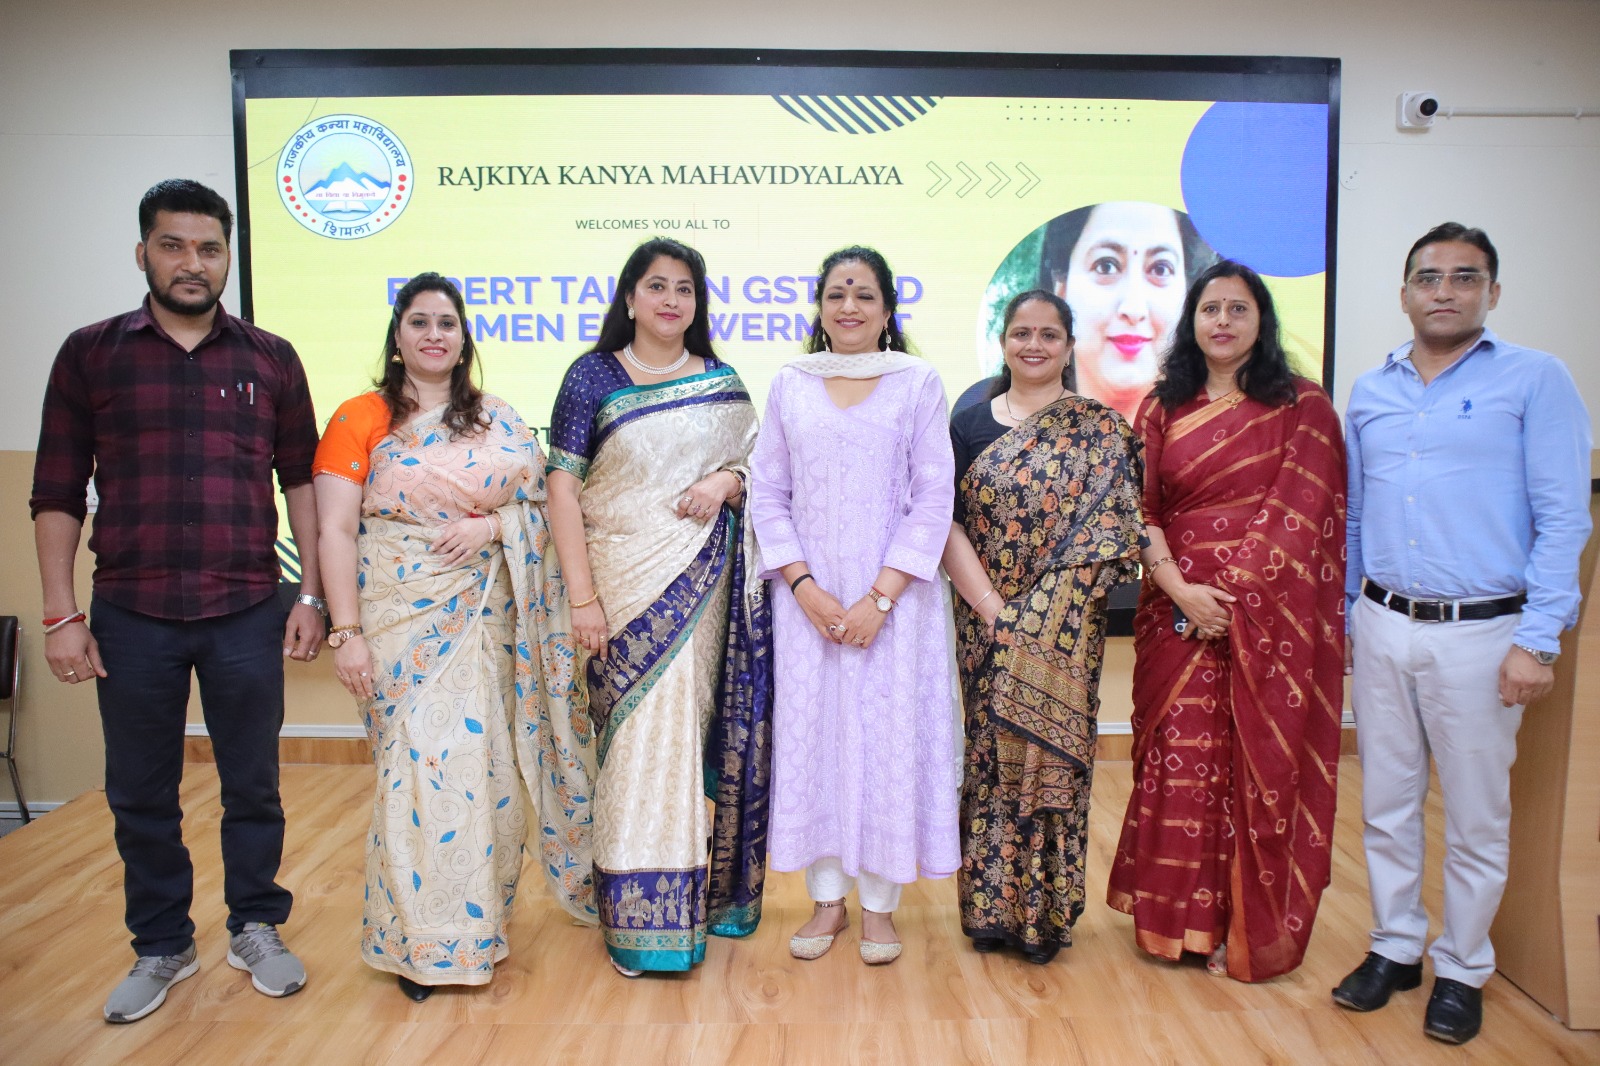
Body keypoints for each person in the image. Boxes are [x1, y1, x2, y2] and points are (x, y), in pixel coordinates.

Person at [30, 180, 324, 1023]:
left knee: (253, 786)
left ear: (228, 257)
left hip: (246, 607)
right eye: (173, 245)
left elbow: (302, 484)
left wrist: (311, 594)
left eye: (208, 248)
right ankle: (162, 944)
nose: (192, 263)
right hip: (131, 613)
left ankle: (255, 926)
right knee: (140, 793)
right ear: (143, 253)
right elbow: (57, 491)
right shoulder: (90, 354)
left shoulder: (272, 358)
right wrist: (61, 614)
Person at [1333, 224, 1591, 1045]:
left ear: (1492, 291)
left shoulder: (1535, 379)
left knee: (1477, 814)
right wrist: (1345, 616)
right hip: (1382, 621)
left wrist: (1539, 640)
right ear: (1405, 292)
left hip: (1484, 632)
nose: (1444, 291)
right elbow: (1357, 514)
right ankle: (1395, 946)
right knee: (1386, 802)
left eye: (1464, 277)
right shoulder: (1370, 391)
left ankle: (1463, 967)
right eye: (1428, 277)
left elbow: (1563, 519)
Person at [313, 273, 596, 1001]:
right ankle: (420, 940)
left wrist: (494, 526)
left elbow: (545, 507)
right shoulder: (359, 418)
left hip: (488, 616)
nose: (434, 335)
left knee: (488, 771)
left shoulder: (498, 418)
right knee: (419, 771)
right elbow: (335, 529)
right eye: (419, 322)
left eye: (447, 323)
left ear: (465, 338)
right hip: (399, 617)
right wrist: (346, 633)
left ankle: (476, 925)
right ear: (397, 337)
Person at [1106, 259, 1347, 982]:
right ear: (1192, 322)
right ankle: (1173, 924)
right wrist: (1183, 592)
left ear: (1262, 321)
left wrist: (1231, 597)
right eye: (1210, 309)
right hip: (1176, 614)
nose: (1222, 322)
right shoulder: (1161, 407)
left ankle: (1238, 927)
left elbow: (1305, 513)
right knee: (1178, 762)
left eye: (1238, 309)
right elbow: (1139, 510)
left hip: (1265, 624)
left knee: (1251, 769)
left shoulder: (1303, 407)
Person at [546, 238, 771, 977]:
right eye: (657, 286)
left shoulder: (721, 382)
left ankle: (678, 913)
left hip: (699, 586)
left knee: (675, 740)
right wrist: (583, 598)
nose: (671, 300)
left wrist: (729, 482)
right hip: (617, 585)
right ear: (630, 297)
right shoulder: (592, 376)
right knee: (633, 742)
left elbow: (762, 466)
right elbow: (562, 489)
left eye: (685, 288)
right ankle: (631, 919)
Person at [749, 245, 960, 967]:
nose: (849, 306)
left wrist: (880, 598)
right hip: (808, 604)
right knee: (817, 742)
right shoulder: (791, 383)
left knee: (884, 742)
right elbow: (767, 493)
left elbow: (933, 496)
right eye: (836, 293)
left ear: (887, 309)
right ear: (819, 306)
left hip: (893, 606)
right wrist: (804, 588)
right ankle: (826, 903)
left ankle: (879, 909)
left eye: (864, 294)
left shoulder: (916, 382)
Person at [942, 290, 1144, 964]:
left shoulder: (1102, 430)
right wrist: (996, 611)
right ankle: (990, 910)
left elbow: (1115, 531)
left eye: (1048, 335)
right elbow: (945, 524)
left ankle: (1045, 915)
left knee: (1055, 757)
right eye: (1021, 333)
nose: (1033, 345)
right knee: (989, 758)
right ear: (1003, 342)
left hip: (1068, 629)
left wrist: (1044, 614)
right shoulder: (969, 424)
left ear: (1068, 346)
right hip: (986, 621)